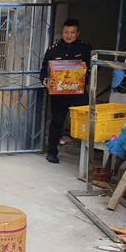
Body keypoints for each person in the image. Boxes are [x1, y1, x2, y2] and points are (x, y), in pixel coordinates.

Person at [40, 18, 92, 164]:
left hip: (78, 92)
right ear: (62, 33)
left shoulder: (85, 49)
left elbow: (93, 68)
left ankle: (87, 154)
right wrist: (44, 79)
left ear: (78, 33)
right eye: (66, 32)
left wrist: (84, 74)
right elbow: (44, 69)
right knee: (57, 122)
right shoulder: (53, 49)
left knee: (86, 120)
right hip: (59, 93)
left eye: (72, 32)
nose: (69, 35)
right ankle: (52, 152)